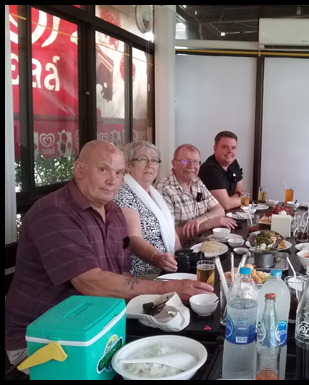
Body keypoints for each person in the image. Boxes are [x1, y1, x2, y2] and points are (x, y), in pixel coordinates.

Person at [4, 140, 213, 368]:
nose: (113, 180)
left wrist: (161, 304)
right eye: (103, 169)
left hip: (95, 322)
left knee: (186, 350)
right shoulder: (54, 212)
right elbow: (91, 283)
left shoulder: (112, 210)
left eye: (119, 172)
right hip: (42, 342)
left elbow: (123, 274)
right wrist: (169, 288)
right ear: (79, 170)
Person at [114, 141, 181, 278]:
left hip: (169, 266)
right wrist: (158, 257)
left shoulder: (154, 193)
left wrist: (182, 257)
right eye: (143, 159)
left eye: (155, 160)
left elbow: (170, 230)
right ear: (128, 165)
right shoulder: (123, 192)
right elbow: (133, 238)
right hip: (145, 272)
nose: (150, 165)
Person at [155, 144, 237, 241]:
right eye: (185, 161)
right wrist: (208, 224)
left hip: (204, 242)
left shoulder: (196, 181)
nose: (191, 166)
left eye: (195, 162)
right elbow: (168, 234)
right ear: (174, 163)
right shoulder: (163, 190)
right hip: (182, 250)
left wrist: (201, 220)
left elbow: (219, 210)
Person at [198, 131, 247, 210]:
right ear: (215, 148)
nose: (230, 151)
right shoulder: (210, 169)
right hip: (214, 218)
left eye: (233, 148)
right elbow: (226, 205)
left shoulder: (233, 163)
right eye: (225, 147)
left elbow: (243, 192)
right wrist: (241, 199)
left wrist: (230, 200)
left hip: (233, 214)